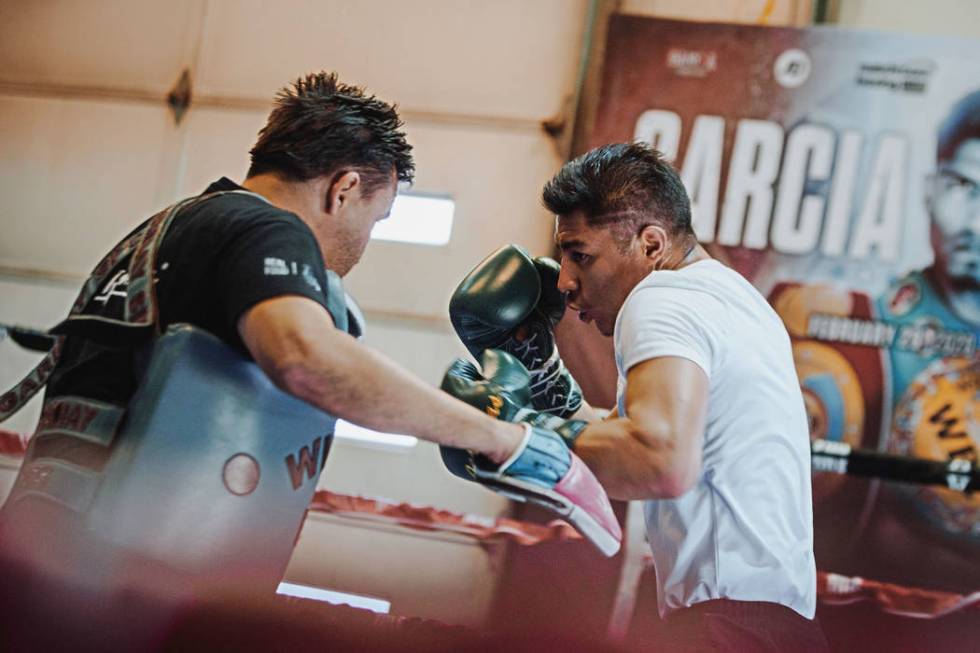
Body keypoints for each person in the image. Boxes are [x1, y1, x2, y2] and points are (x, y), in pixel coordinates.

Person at [0, 72, 618, 647]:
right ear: (344, 188)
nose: (366, 242)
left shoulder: (166, 230)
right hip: (127, 593)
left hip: (51, 577)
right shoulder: (266, 230)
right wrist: (499, 435)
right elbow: (305, 357)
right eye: (376, 219)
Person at [442, 142, 828, 651]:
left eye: (581, 255)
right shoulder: (730, 299)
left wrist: (512, 432)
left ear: (650, 245)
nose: (565, 281)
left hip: (726, 625)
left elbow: (658, 461)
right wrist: (546, 384)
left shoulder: (660, 298)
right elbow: (644, 439)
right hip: (769, 624)